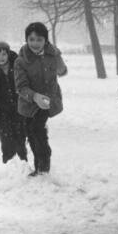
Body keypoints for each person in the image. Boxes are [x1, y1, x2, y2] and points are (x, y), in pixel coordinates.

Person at [14, 21, 67, 176]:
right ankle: (39, 166)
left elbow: (62, 71)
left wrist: (60, 63)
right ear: (26, 40)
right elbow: (20, 87)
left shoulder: (52, 55)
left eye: (39, 39)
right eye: (31, 39)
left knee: (38, 131)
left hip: (47, 101)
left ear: (45, 40)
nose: (35, 43)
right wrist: (35, 96)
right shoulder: (21, 60)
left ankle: (43, 168)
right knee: (31, 133)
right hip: (29, 102)